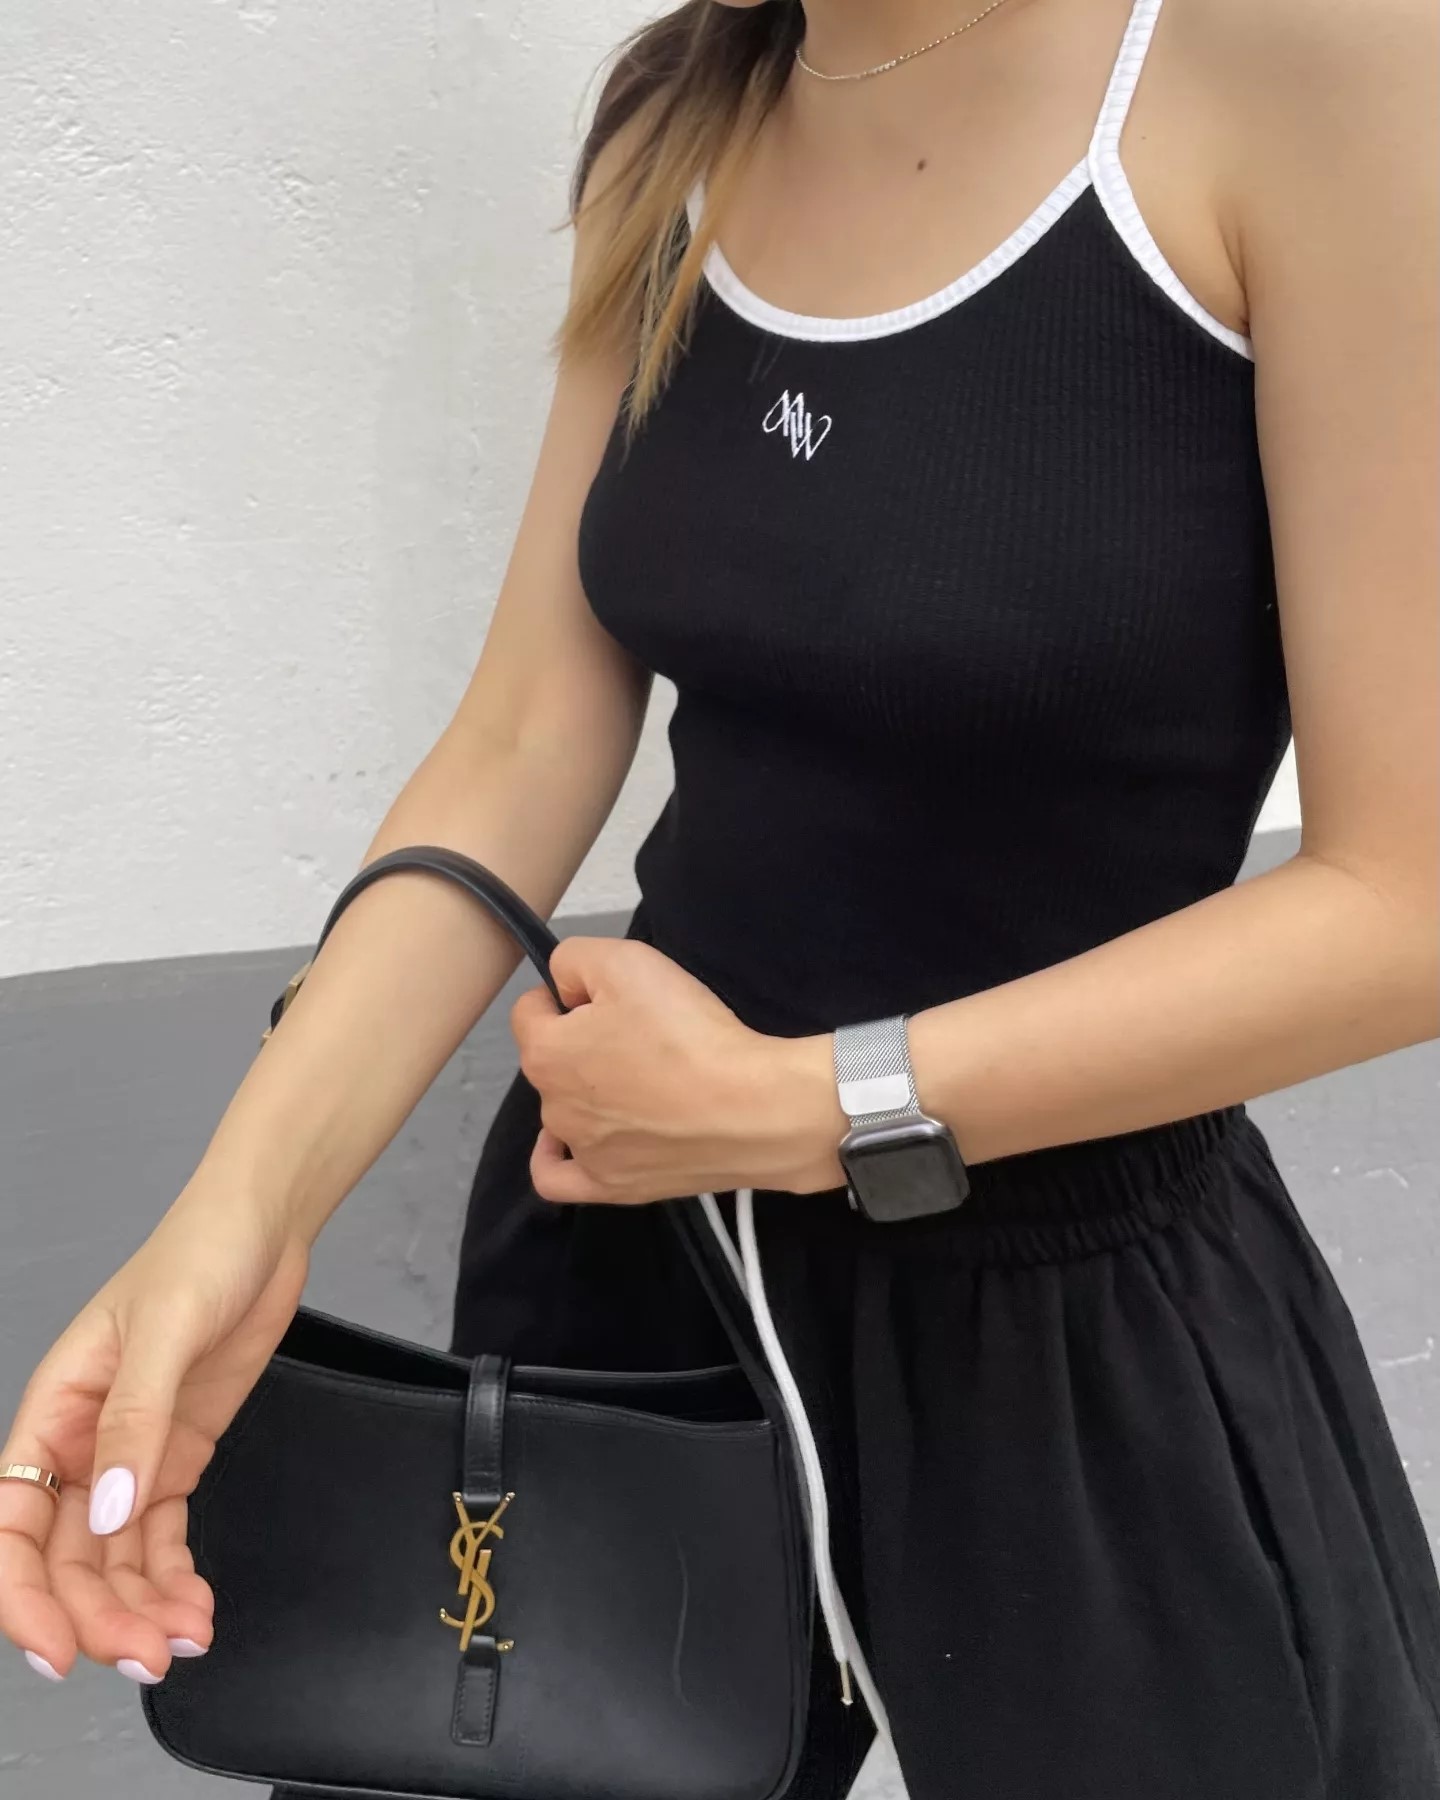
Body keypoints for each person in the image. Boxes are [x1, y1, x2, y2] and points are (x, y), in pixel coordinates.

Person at [2, 0, 1438, 1794]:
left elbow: (1406, 896)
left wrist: (800, 1107)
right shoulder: (678, 110)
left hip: (1074, 1311)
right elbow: (526, 733)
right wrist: (240, 1214)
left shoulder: (1316, 68)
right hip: (631, 1249)